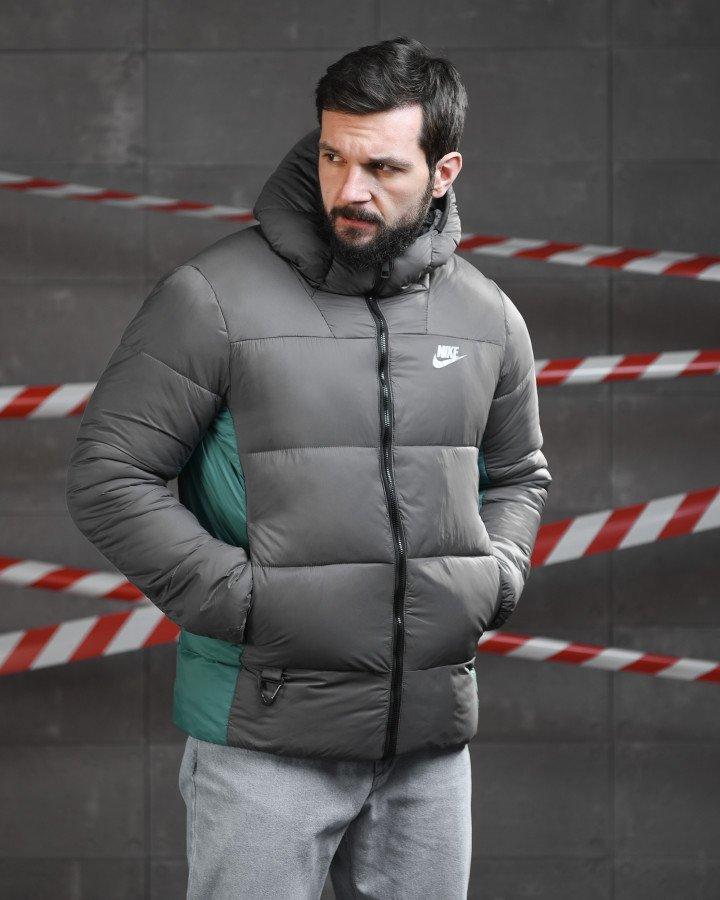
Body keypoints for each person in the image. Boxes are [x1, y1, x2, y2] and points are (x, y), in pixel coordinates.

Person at [65, 36, 551, 900]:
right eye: (333, 156)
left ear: (444, 172)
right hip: (265, 735)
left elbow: (518, 473)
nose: (349, 189)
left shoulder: (486, 317)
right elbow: (109, 476)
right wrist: (245, 603)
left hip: (428, 745)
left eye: (383, 168)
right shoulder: (212, 298)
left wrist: (496, 577)